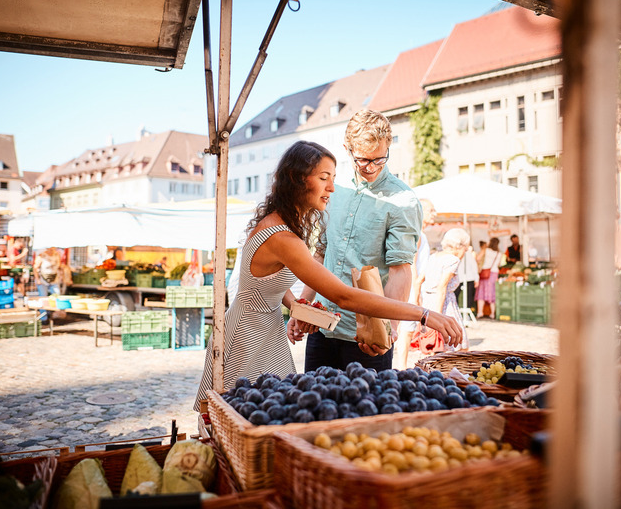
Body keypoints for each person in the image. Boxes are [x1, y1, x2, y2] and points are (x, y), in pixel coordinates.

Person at [193, 141, 462, 411]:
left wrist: (297, 307)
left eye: (333, 178)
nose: (332, 188)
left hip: (264, 330)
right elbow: (343, 296)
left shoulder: (280, 224)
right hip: (248, 336)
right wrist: (423, 314)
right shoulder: (283, 237)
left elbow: (266, 283)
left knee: (269, 416)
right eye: (324, 178)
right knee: (244, 419)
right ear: (297, 179)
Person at [290, 109, 424, 373]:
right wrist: (301, 307)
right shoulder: (333, 190)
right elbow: (320, 255)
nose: (371, 167)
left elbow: (400, 270)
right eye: (363, 159)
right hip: (322, 327)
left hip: (367, 335)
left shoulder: (403, 201)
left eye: (379, 159)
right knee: (314, 409)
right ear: (347, 149)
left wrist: (390, 330)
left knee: (363, 412)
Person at [411, 228, 471, 354]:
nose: (465, 252)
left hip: (428, 303)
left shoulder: (433, 257)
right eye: (465, 248)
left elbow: (418, 281)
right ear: (459, 246)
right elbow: (441, 288)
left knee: (435, 347)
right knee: (458, 345)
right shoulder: (453, 260)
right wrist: (438, 316)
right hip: (443, 304)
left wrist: (417, 304)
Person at [395, 198, 436, 370]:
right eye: (431, 210)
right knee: (407, 329)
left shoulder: (420, 234)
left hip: (415, 285)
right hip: (412, 285)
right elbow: (412, 263)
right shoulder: (417, 233)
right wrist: (416, 290)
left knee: (408, 329)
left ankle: (402, 365)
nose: (435, 214)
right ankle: (401, 366)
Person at [476, 237, 502, 319]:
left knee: (481, 292)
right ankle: (492, 314)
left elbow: (477, 258)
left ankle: (480, 312)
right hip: (494, 274)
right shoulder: (499, 253)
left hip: (485, 273)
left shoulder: (486, 250)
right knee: (492, 292)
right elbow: (499, 264)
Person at [454, 243, 479, 317]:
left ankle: (465, 315)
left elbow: (474, 266)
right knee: (456, 296)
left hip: (467, 277)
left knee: (468, 297)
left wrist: (476, 278)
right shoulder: (456, 254)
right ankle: (457, 314)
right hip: (461, 278)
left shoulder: (468, 254)